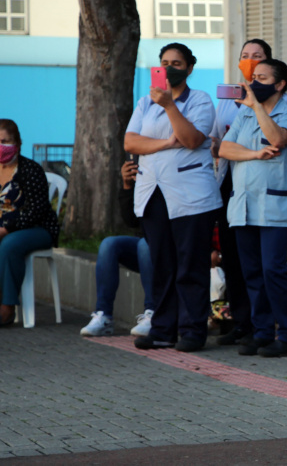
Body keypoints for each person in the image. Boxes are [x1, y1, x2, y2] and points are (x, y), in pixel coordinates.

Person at [124, 43, 221, 352]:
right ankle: (164, 328)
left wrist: (169, 106)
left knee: (190, 264)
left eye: (177, 63)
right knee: (162, 263)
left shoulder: (201, 100)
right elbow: (131, 141)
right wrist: (166, 144)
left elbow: (192, 139)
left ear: (189, 68)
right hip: (153, 192)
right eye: (164, 62)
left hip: (192, 196)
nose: (169, 68)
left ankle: (192, 330)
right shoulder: (144, 102)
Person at [220, 58, 287, 357]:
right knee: (252, 272)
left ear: (280, 84)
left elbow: (277, 138)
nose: (254, 82)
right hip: (244, 205)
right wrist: (255, 155)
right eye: (252, 77)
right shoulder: (243, 115)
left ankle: (286, 335)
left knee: (273, 270)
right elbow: (224, 148)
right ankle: (261, 332)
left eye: (262, 78)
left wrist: (257, 106)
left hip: (276, 205)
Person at [209, 38, 271, 346]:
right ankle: (240, 320)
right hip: (227, 183)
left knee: (256, 259)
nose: (249, 61)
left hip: (256, 182)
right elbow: (217, 138)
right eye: (245, 56)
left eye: (256, 57)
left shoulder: (271, 97)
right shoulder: (227, 97)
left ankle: (263, 323)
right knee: (232, 257)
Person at [80, 160, 155, 337]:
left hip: (169, 244)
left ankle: (153, 313)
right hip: (149, 246)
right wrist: (128, 186)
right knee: (109, 244)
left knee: (146, 244)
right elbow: (131, 221)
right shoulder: (146, 170)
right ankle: (103, 316)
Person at [0, 119, 60, 326]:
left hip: (36, 228)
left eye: (4, 141)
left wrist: (6, 229)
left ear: (16, 143)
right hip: (4, 229)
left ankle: (7, 308)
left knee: (10, 244)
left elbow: (37, 209)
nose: (1, 147)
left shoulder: (30, 170)